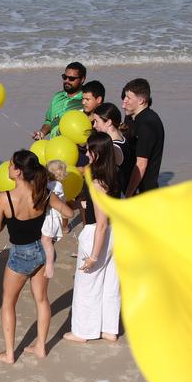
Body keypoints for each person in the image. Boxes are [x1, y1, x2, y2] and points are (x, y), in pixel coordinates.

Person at [0, 150, 74, 364]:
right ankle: (41, 347)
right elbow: (68, 213)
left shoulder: (5, 197)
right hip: (43, 250)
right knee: (42, 299)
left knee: (8, 302)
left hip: (20, 253)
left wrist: (11, 219)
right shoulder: (44, 193)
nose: (8, 168)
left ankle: (9, 354)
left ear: (18, 172)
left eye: (10, 165)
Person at [66, 132, 122, 343]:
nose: (86, 153)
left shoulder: (98, 182)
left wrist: (93, 255)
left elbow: (100, 223)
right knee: (110, 282)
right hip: (117, 232)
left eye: (89, 150)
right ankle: (109, 329)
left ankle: (83, 331)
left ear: (97, 154)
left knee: (86, 283)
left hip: (97, 234)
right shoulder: (115, 174)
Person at [121, 78, 164, 196]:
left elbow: (141, 164)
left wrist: (129, 194)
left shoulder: (147, 125)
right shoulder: (130, 117)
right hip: (130, 184)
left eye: (128, 98)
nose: (124, 102)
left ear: (141, 101)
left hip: (143, 190)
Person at [32, 62, 86, 140]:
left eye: (71, 79)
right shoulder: (57, 97)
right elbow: (49, 121)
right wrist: (42, 133)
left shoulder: (86, 99)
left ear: (82, 79)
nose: (66, 81)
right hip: (55, 147)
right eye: (64, 77)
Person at [92, 102, 133, 184]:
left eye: (96, 121)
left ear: (108, 122)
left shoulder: (113, 147)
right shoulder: (122, 137)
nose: (94, 125)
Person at [40, 160, 68, 280]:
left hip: (51, 217)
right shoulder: (56, 184)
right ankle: (46, 259)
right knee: (47, 240)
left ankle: (49, 264)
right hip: (52, 216)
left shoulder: (54, 185)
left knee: (46, 240)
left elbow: (52, 198)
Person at [75, 80, 107, 171]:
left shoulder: (105, 119)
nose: (83, 102)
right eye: (83, 99)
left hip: (98, 164)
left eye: (87, 99)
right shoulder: (78, 116)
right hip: (77, 159)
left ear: (99, 100)